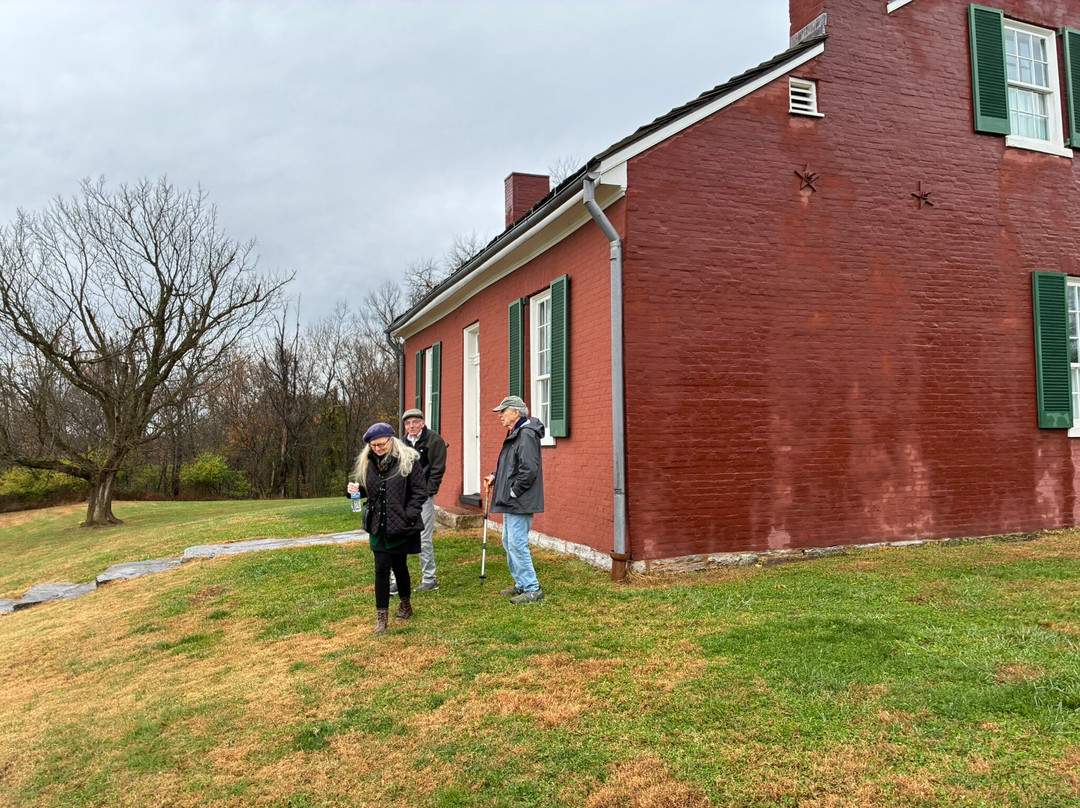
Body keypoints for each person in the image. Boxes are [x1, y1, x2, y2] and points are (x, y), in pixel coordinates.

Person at [347, 422, 427, 635]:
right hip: (378, 525)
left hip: (401, 524)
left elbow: (420, 491)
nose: (377, 449)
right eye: (373, 446)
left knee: (400, 566)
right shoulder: (369, 462)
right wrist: (355, 490)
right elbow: (370, 490)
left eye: (381, 445)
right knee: (381, 569)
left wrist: (408, 514)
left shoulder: (408, 460)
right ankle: (381, 617)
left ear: (391, 441)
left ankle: (405, 604)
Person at [483, 395, 545, 604]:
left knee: (517, 544)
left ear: (516, 413)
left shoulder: (526, 434)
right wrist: (495, 476)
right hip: (513, 499)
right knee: (508, 542)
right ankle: (521, 584)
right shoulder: (515, 433)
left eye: (504, 411)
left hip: (520, 500)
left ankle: (532, 588)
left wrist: (514, 492)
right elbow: (511, 466)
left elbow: (529, 469)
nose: (500, 415)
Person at [397, 408, 447, 592]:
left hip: (423, 498)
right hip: (402, 497)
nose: (411, 426)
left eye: (415, 422)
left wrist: (427, 492)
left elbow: (437, 470)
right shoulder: (401, 444)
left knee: (424, 538)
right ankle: (397, 578)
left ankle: (429, 579)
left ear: (422, 423)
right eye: (408, 423)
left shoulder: (435, 441)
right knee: (399, 536)